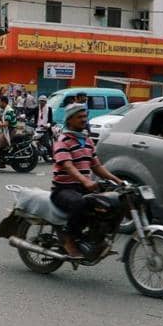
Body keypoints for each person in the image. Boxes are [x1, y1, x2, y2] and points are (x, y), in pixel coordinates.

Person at [50, 103, 123, 258]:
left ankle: (96, 238)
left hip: (83, 188)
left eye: (85, 116)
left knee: (112, 204)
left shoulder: (87, 140)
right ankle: (68, 238)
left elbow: (96, 166)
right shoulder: (62, 140)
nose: (84, 119)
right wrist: (86, 181)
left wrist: (117, 180)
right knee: (80, 203)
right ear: (70, 120)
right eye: (80, 117)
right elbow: (68, 166)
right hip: (63, 189)